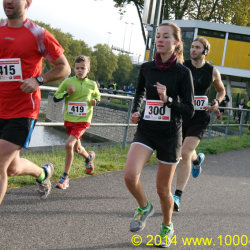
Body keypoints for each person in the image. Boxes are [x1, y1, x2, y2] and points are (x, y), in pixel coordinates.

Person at [124, 22, 194, 247]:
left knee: (163, 190)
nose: (160, 40)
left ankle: (167, 226)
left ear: (176, 42)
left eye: (166, 37)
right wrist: (136, 110)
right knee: (129, 175)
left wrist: (169, 101)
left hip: (170, 135)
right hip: (146, 129)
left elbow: (190, 109)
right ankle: (144, 207)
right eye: (158, 36)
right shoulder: (146, 67)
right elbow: (140, 93)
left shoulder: (183, 73)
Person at [0, 0, 70, 205]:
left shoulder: (38, 34)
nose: (8, 1)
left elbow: (64, 67)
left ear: (28, 2)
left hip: (23, 111)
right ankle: (43, 173)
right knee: (12, 168)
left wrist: (39, 80)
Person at [173, 37, 225, 212]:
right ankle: (198, 160)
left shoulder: (212, 71)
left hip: (200, 117)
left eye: (197, 47)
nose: (193, 50)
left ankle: (177, 196)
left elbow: (221, 90)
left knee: (185, 152)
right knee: (187, 152)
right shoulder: (182, 66)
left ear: (205, 51)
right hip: (182, 113)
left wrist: (217, 101)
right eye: (192, 47)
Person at [53, 55, 100, 189]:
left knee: (69, 145)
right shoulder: (68, 82)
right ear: (74, 68)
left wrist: (95, 101)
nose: (80, 70)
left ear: (88, 69)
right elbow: (56, 98)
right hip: (70, 120)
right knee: (77, 148)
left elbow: (98, 96)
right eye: (77, 68)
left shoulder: (92, 84)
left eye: (83, 68)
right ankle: (89, 157)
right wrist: (67, 93)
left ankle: (65, 177)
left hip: (83, 121)